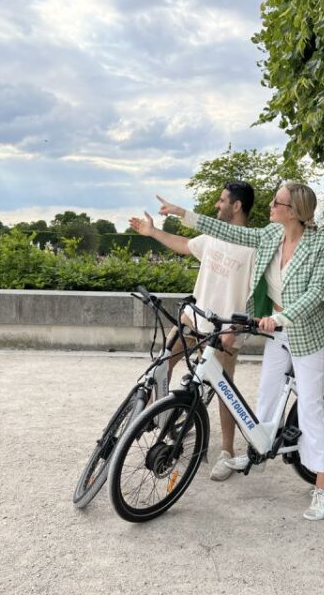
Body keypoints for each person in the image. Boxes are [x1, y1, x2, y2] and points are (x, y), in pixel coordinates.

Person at [156, 182, 324, 521]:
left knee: (311, 408)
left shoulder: (319, 243)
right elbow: (224, 230)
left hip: (306, 335)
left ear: (294, 211)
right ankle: (259, 452)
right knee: (265, 401)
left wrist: (278, 317)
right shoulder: (270, 235)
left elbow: (315, 295)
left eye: (277, 202)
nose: (270, 205)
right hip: (275, 332)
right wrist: (183, 213)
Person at [128, 181, 257, 482]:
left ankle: (226, 452)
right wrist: (152, 232)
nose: (217, 205)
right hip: (193, 318)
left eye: (222, 200)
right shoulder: (214, 235)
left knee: (226, 390)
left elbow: (256, 293)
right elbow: (185, 246)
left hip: (225, 328)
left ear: (237, 206)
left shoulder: (253, 244)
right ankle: (149, 420)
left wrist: (235, 327)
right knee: (161, 364)